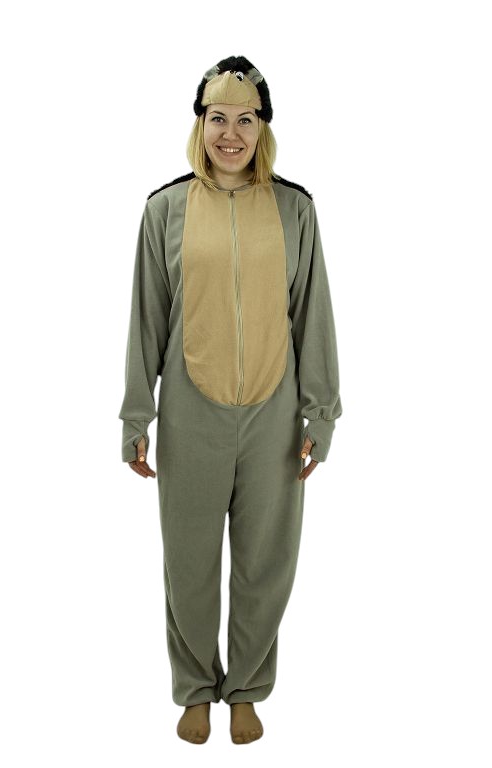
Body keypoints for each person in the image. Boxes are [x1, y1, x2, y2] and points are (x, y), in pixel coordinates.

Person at [118, 55, 343, 745]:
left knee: (265, 563)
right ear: (200, 123)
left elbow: (313, 317)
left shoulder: (295, 209)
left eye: (246, 119)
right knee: (188, 561)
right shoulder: (165, 210)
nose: (231, 133)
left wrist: (320, 412)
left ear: (263, 128)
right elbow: (146, 320)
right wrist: (136, 415)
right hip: (191, 414)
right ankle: (195, 688)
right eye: (218, 118)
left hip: (275, 416)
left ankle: (245, 687)